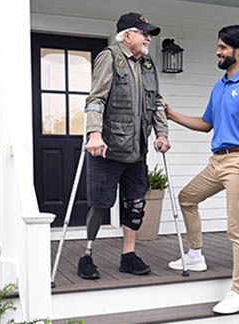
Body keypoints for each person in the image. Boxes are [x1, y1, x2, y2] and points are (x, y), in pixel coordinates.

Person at [164, 25, 239, 314]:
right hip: (218, 161)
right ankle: (196, 254)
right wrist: (172, 116)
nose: (218, 52)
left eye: (222, 47)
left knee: (237, 229)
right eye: (219, 47)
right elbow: (206, 124)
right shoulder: (220, 85)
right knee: (187, 197)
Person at [77, 12, 171, 280]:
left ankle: (128, 255)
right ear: (127, 35)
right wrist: (94, 133)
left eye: (149, 33)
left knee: (135, 205)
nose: (148, 37)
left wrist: (162, 134)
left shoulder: (149, 65)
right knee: (99, 203)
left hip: (137, 150)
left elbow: (157, 102)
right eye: (143, 32)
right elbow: (96, 99)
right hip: (107, 150)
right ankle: (87, 255)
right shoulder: (110, 56)